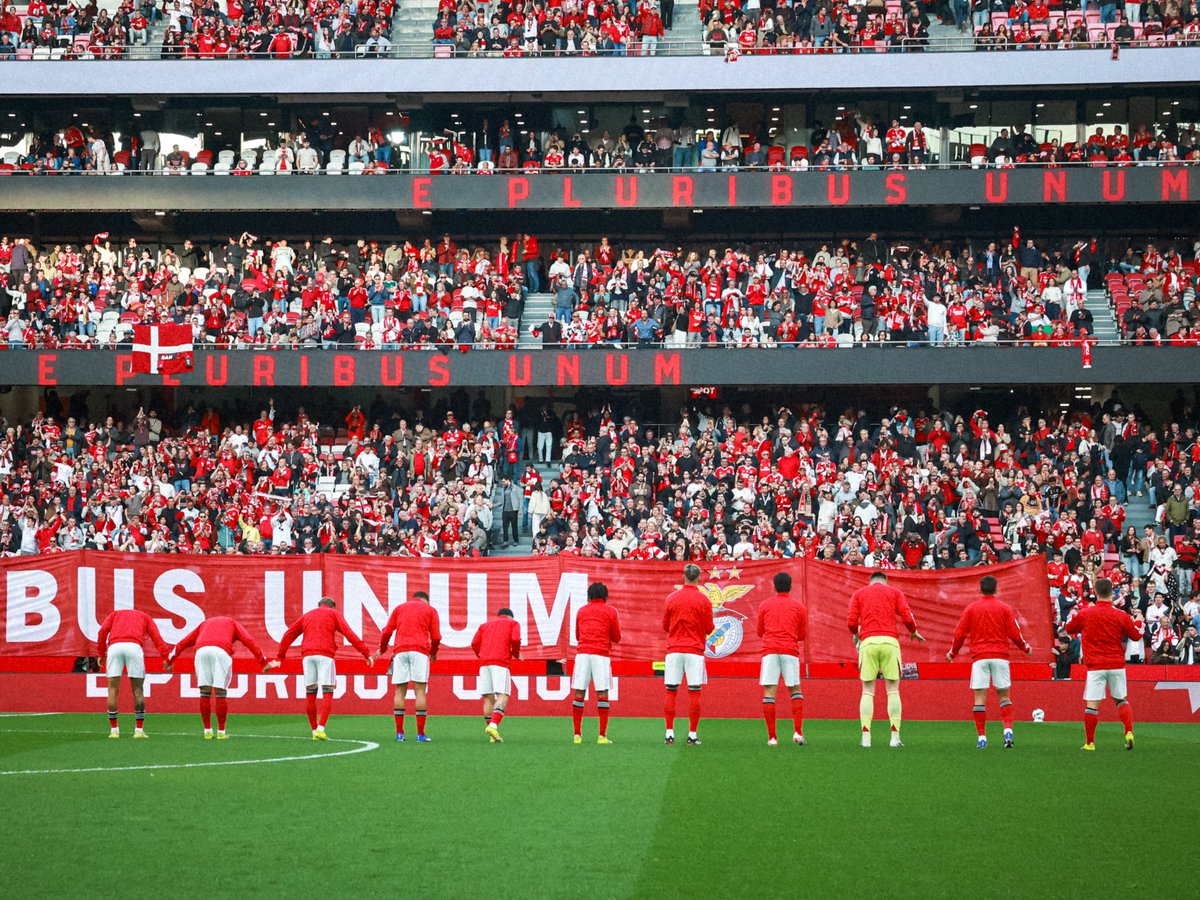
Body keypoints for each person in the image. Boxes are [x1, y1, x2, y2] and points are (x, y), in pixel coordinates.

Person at [946, 575, 1032, 749]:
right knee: (1004, 696)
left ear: (980, 589)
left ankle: (982, 738)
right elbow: (1015, 633)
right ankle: (1008, 731)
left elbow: (959, 634)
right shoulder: (1005, 608)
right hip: (1000, 657)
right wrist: (1026, 648)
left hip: (980, 658)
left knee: (979, 699)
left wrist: (953, 653)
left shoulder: (971, 609)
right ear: (996, 589)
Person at [275, 597, 374, 741]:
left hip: (307, 656)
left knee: (311, 692)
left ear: (318, 605)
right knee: (327, 691)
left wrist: (280, 656)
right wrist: (365, 652)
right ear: (333, 607)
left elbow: (288, 634)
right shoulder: (333, 614)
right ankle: (321, 729)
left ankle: (314, 730)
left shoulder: (307, 615)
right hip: (325, 655)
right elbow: (349, 633)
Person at [847, 571, 925, 748]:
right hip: (890, 642)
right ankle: (895, 738)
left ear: (870, 581)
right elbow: (907, 617)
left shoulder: (859, 594)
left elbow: (851, 622)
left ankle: (866, 738)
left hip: (868, 642)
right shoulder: (895, 593)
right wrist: (913, 631)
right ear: (885, 581)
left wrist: (857, 635)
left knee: (867, 690)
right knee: (893, 690)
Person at [168, 615, 277, 739]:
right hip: (221, 651)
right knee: (220, 692)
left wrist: (170, 660)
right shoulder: (233, 622)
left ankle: (207, 731)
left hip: (201, 651)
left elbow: (184, 642)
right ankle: (221, 732)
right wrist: (263, 663)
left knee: (204, 692)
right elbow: (249, 641)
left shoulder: (204, 624)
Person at [1065, 577, 1141, 750]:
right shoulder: (1120, 615)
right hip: (1116, 664)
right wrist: (1138, 623)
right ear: (1111, 591)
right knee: (1121, 700)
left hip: (1095, 666)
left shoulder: (1086, 613)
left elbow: (1069, 629)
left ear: (1095, 592)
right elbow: (1136, 636)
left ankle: (1090, 743)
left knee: (1092, 705)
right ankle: (1128, 731)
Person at [97, 607, 171, 738]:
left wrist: (101, 653)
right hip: (134, 647)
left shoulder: (115, 614)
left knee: (112, 689)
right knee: (138, 690)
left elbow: (102, 631)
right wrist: (165, 657)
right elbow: (156, 637)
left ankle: (114, 731)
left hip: (115, 647)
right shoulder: (144, 616)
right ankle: (138, 730)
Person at [378, 591, 442, 743]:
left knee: (400, 691)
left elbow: (387, 631)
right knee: (420, 691)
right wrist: (433, 652)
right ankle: (420, 734)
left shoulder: (400, 608)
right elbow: (436, 637)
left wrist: (382, 648)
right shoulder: (430, 610)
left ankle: (400, 733)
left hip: (400, 651)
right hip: (419, 651)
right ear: (426, 600)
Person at [662, 563, 715, 745]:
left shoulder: (671, 598)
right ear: (699, 578)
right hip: (694, 649)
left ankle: (669, 732)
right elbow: (709, 628)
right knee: (694, 692)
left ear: (683, 577)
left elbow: (665, 626)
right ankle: (692, 735)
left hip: (675, 648)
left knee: (671, 691)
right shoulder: (704, 600)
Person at [756, 571, 808, 747]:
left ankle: (772, 737)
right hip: (789, 650)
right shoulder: (799, 606)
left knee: (769, 692)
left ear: (774, 586)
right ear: (791, 586)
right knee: (795, 690)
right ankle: (798, 733)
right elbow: (802, 635)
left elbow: (759, 631)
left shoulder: (765, 605)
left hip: (770, 649)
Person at [571, 581, 622, 744]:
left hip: (583, 653)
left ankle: (577, 735)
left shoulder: (581, 611)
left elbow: (578, 635)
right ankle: (602, 736)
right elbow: (617, 637)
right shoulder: (611, 611)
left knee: (579, 693)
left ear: (590, 595)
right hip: (601, 654)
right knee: (602, 694)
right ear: (605, 595)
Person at [470, 607, 522, 743]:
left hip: (484, 663)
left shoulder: (485, 625)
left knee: (488, 697)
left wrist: (481, 655)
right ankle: (493, 726)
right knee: (502, 695)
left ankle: (492, 734)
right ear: (510, 617)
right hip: (501, 662)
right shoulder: (513, 623)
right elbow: (516, 640)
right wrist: (516, 653)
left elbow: (475, 643)